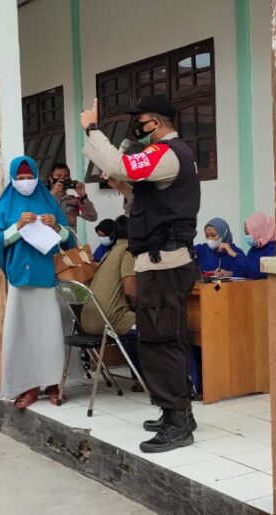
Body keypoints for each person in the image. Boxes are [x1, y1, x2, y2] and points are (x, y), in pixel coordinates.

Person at [81, 94, 201, 453]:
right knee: (166, 339)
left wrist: (91, 127)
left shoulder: (168, 153)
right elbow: (146, 201)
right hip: (159, 261)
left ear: (159, 122)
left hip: (164, 263)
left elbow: (120, 163)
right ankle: (176, 412)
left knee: (162, 342)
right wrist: (122, 188)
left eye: (142, 120)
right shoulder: (168, 157)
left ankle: (177, 421)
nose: (138, 126)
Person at [0, 155, 77, 409]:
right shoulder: (6, 203)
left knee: (49, 334)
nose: (26, 182)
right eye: (21, 178)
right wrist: (17, 226)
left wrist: (56, 228)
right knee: (22, 334)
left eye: (30, 177)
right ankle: (27, 387)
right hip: (19, 277)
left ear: (38, 177)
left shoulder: (48, 200)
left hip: (46, 276)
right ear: (13, 179)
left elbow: (69, 240)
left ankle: (53, 384)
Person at [81, 216, 137, 337]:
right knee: (162, 326)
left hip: (86, 322)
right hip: (109, 321)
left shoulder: (107, 254)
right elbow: (130, 291)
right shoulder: (128, 250)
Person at [222, 213, 276, 280]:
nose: (246, 237)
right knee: (217, 288)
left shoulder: (274, 249)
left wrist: (235, 255)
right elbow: (246, 271)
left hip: (267, 288)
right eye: (245, 234)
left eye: (248, 234)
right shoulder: (254, 249)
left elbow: (256, 272)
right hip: (253, 288)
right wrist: (230, 273)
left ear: (258, 232)